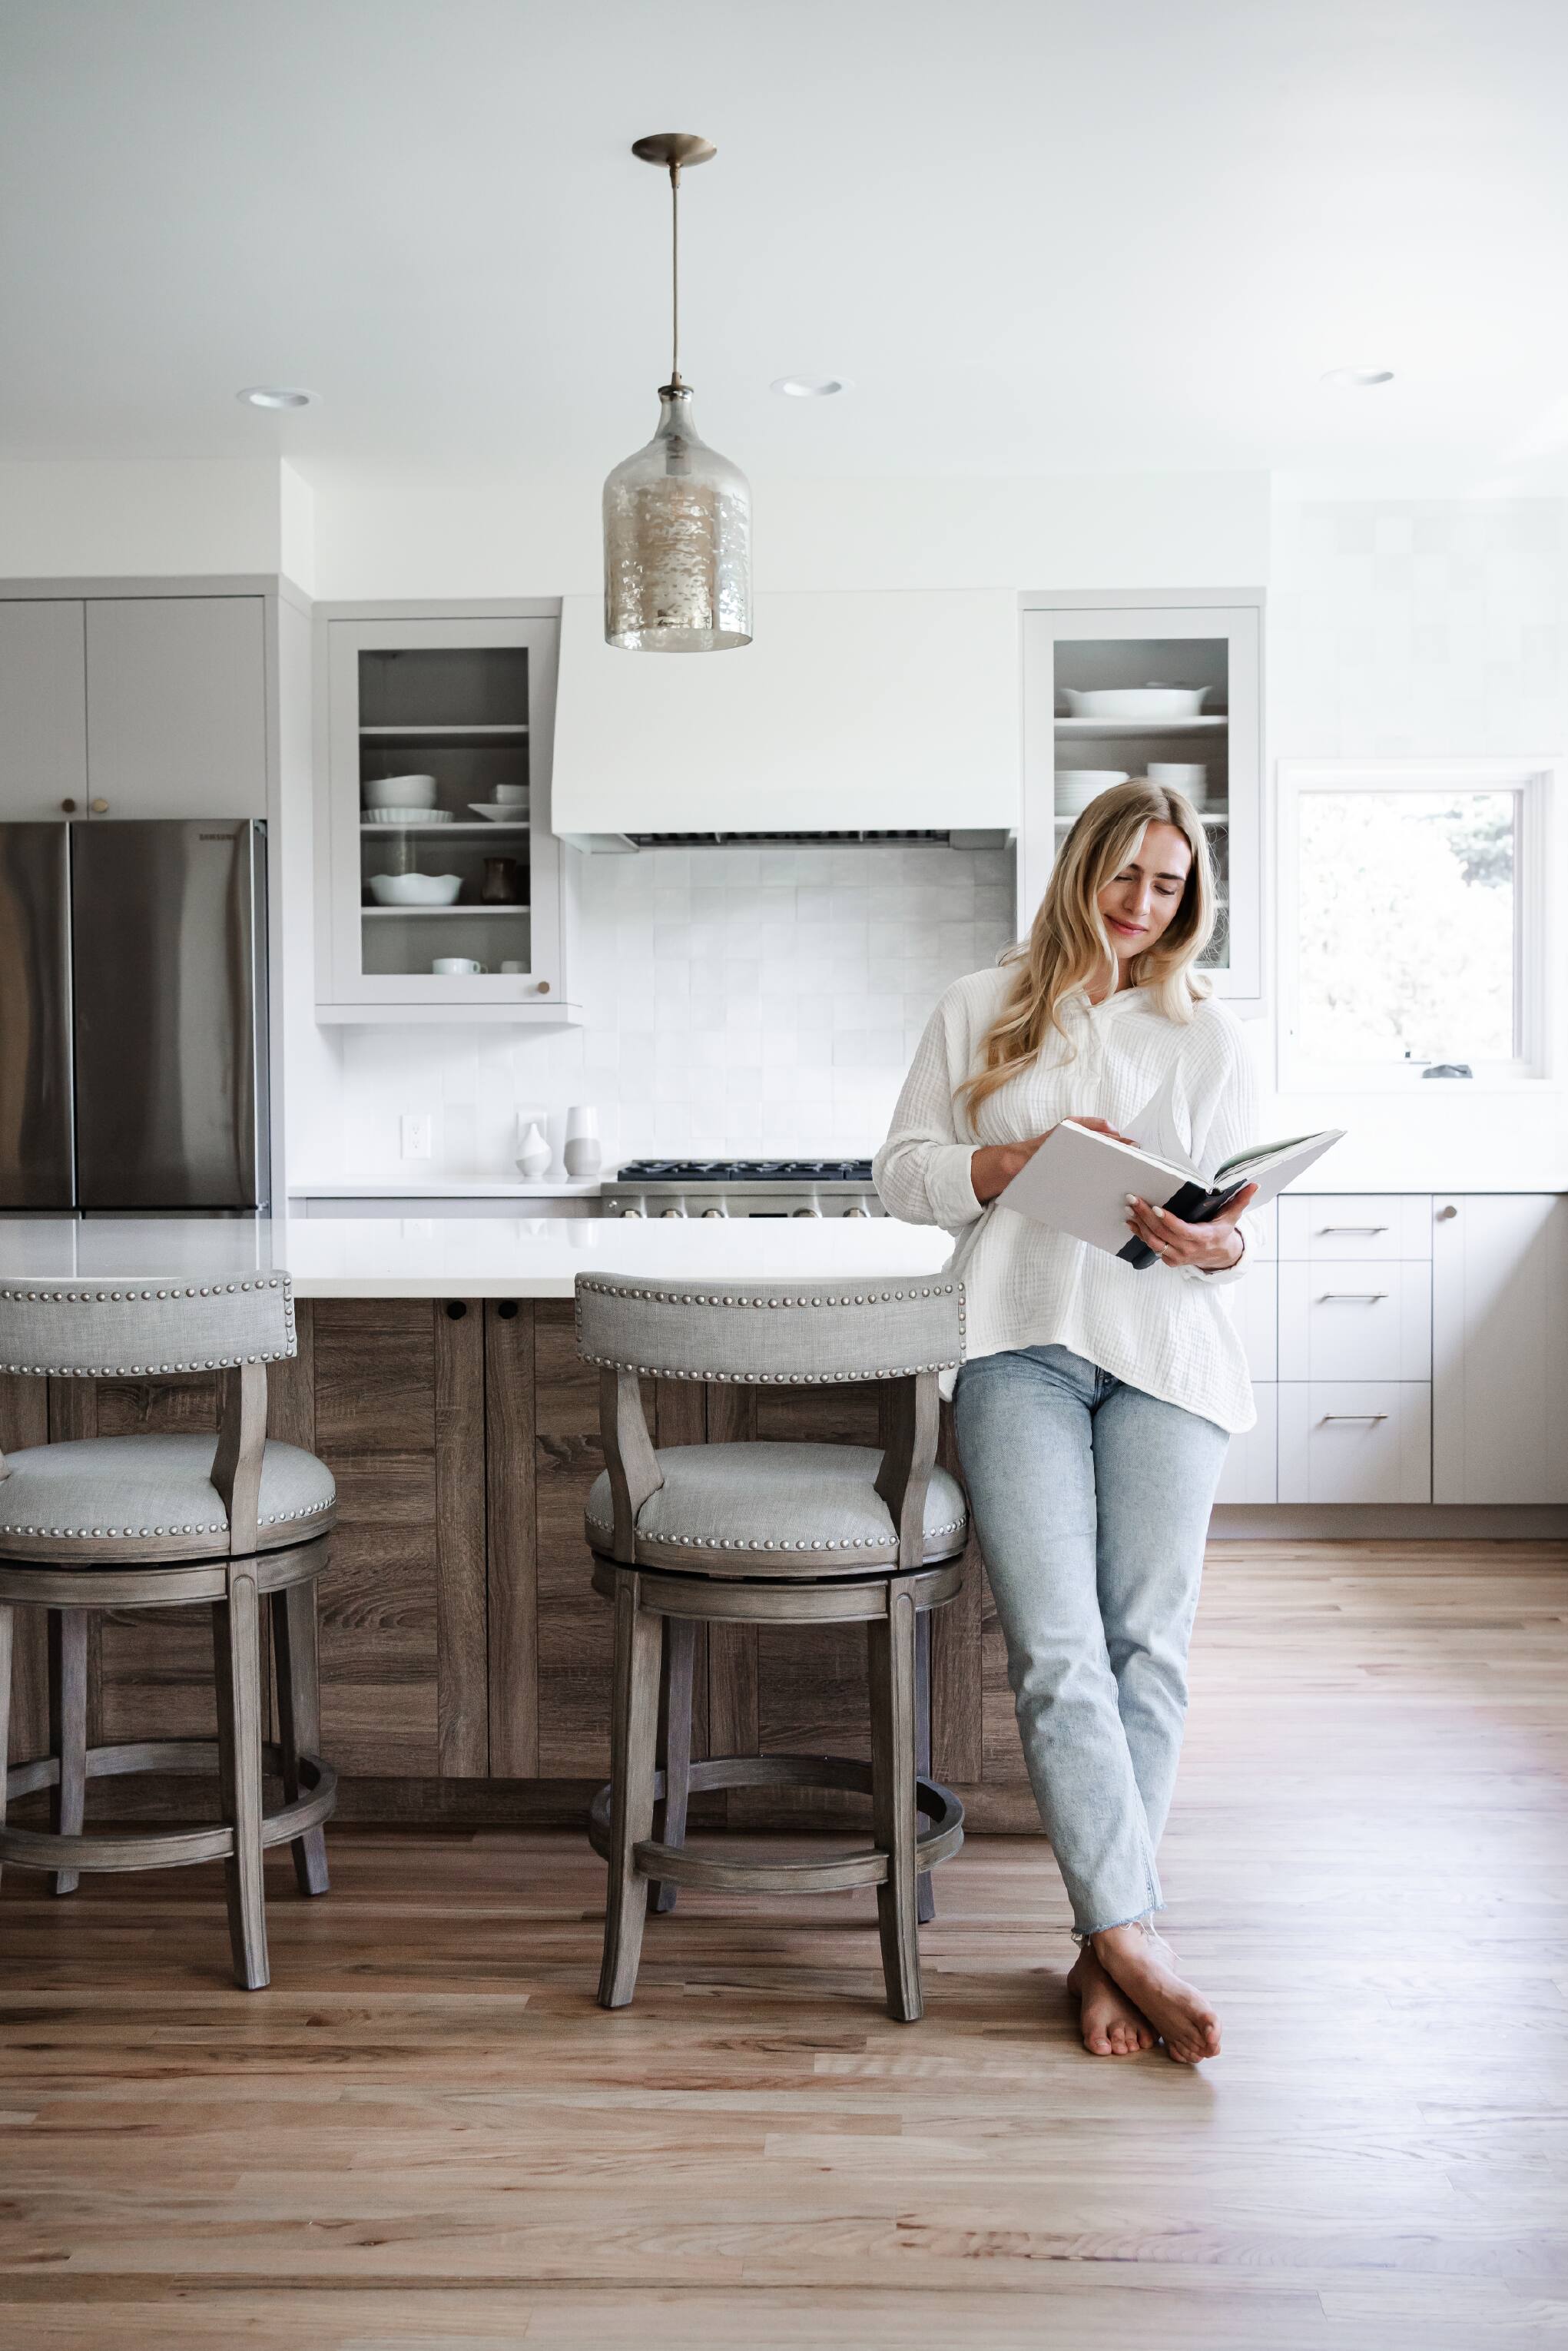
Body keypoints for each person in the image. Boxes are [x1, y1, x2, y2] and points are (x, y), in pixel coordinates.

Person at [874, 779, 1259, 2063]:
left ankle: (1109, 1943)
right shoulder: (976, 1006)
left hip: (1162, 1353)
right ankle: (1130, 1938)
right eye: (1123, 877)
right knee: (1056, 1647)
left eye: (1167, 888)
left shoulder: (1206, 1032)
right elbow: (901, 1174)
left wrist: (1212, 1242)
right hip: (1015, 1345)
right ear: (1078, 867)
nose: (1141, 908)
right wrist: (1011, 1165)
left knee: (1147, 1642)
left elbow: (1238, 1227)